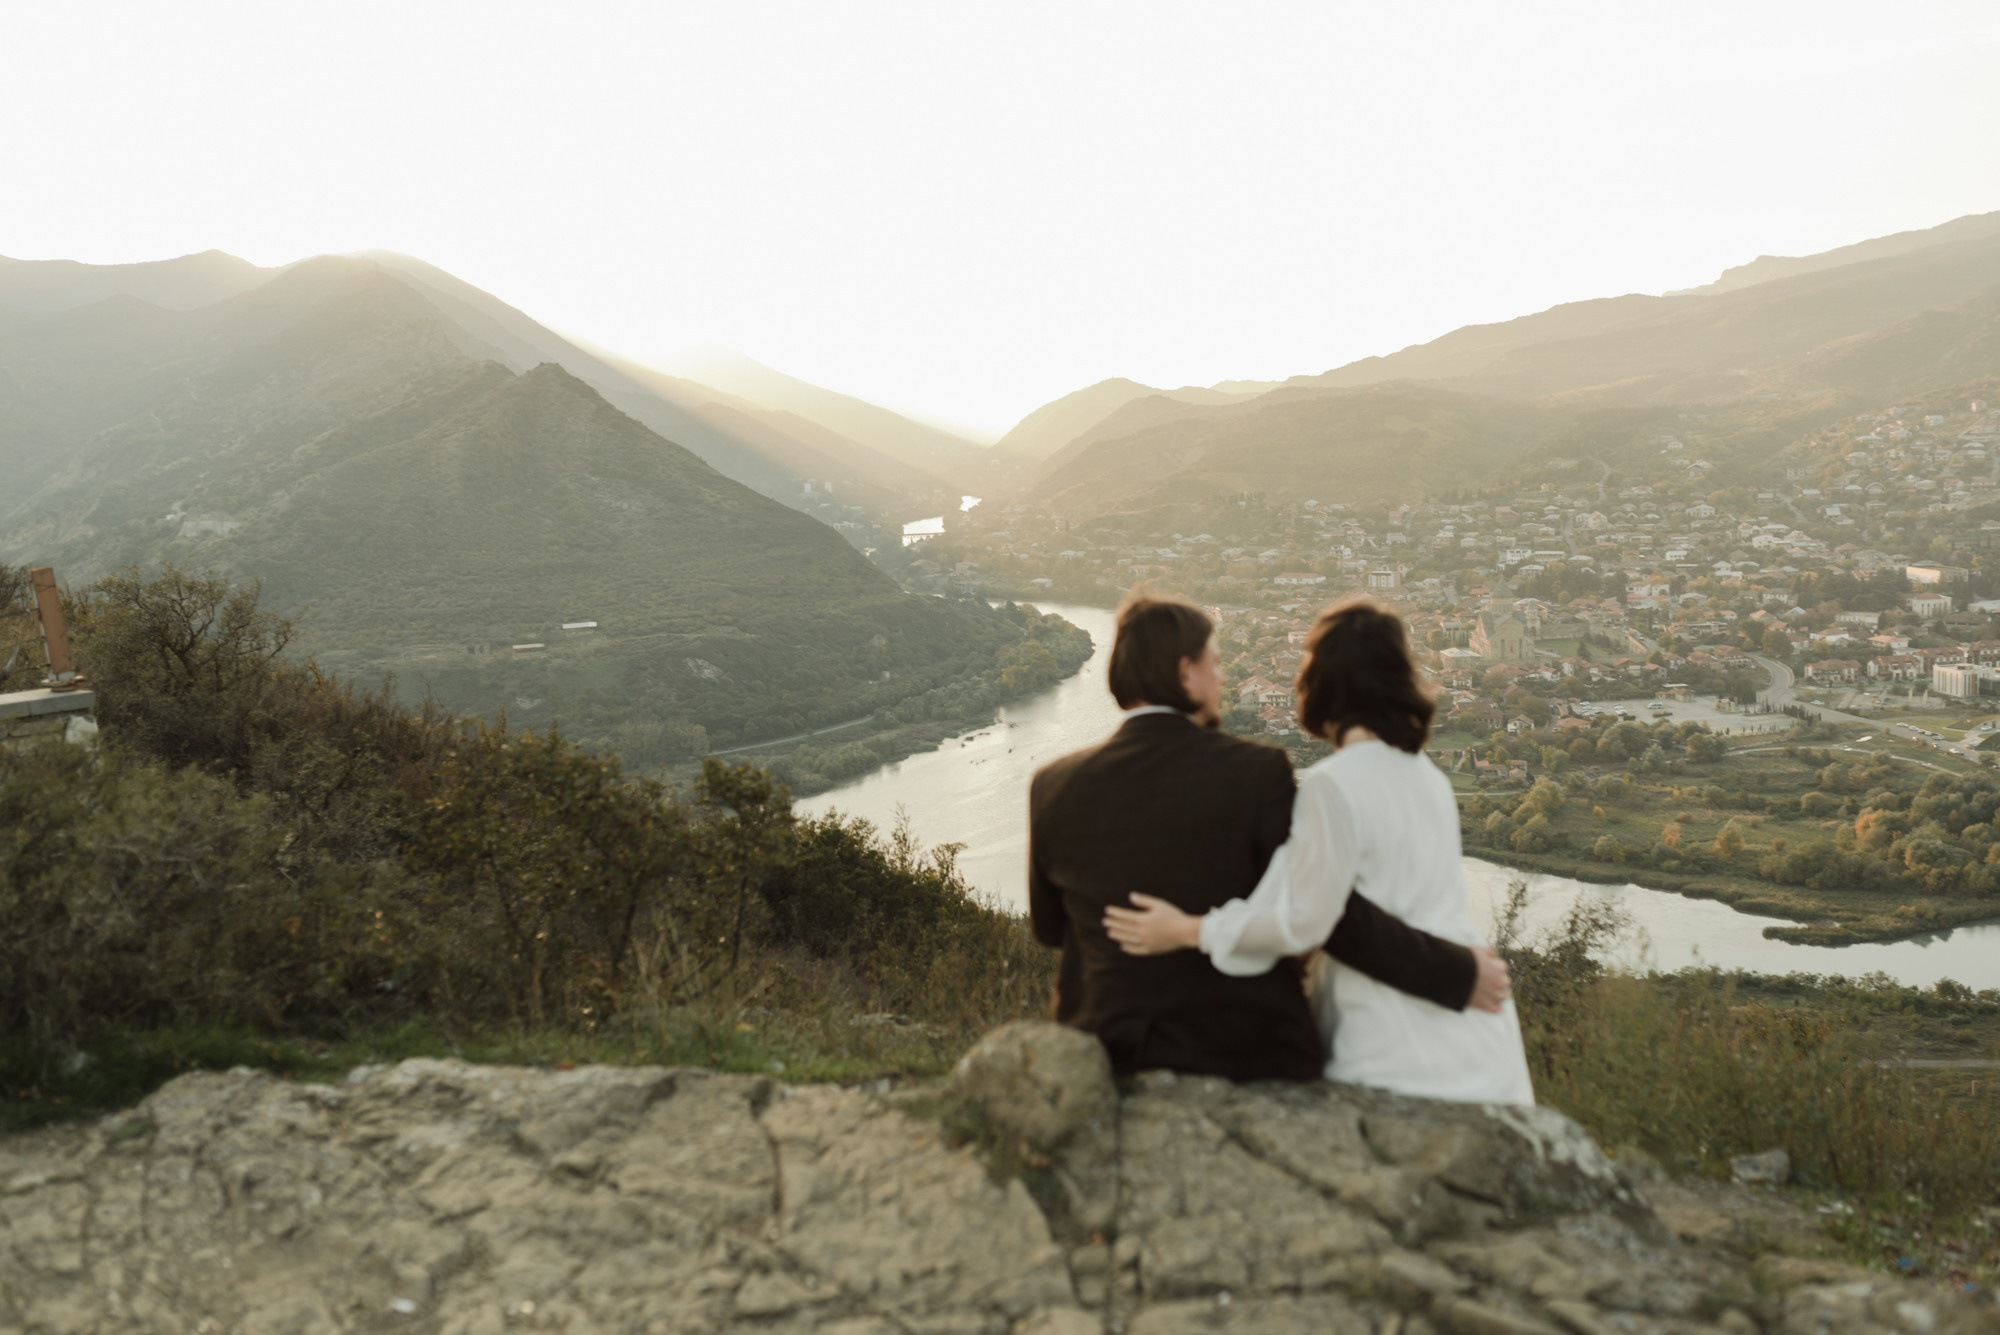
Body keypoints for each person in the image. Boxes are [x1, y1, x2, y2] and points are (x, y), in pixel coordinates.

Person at [1028, 592, 1511, 1082]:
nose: (1222, 678)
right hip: (1240, 1046)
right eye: (1214, 663)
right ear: (1185, 672)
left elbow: (1048, 929)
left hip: (1108, 1041)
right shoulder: (1258, 773)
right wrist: (1457, 972)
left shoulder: (1051, 785)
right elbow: (1328, 913)